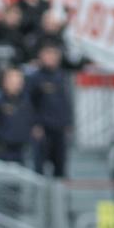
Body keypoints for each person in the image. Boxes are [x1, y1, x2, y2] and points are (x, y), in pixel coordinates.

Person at [28, 43, 72, 177]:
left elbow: (67, 103)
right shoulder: (34, 78)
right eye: (47, 54)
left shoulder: (62, 76)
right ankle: (39, 196)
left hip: (59, 128)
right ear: (41, 56)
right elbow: (29, 104)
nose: (51, 58)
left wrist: (69, 123)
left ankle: (60, 197)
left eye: (54, 55)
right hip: (43, 129)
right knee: (39, 168)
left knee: (61, 168)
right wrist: (35, 124)